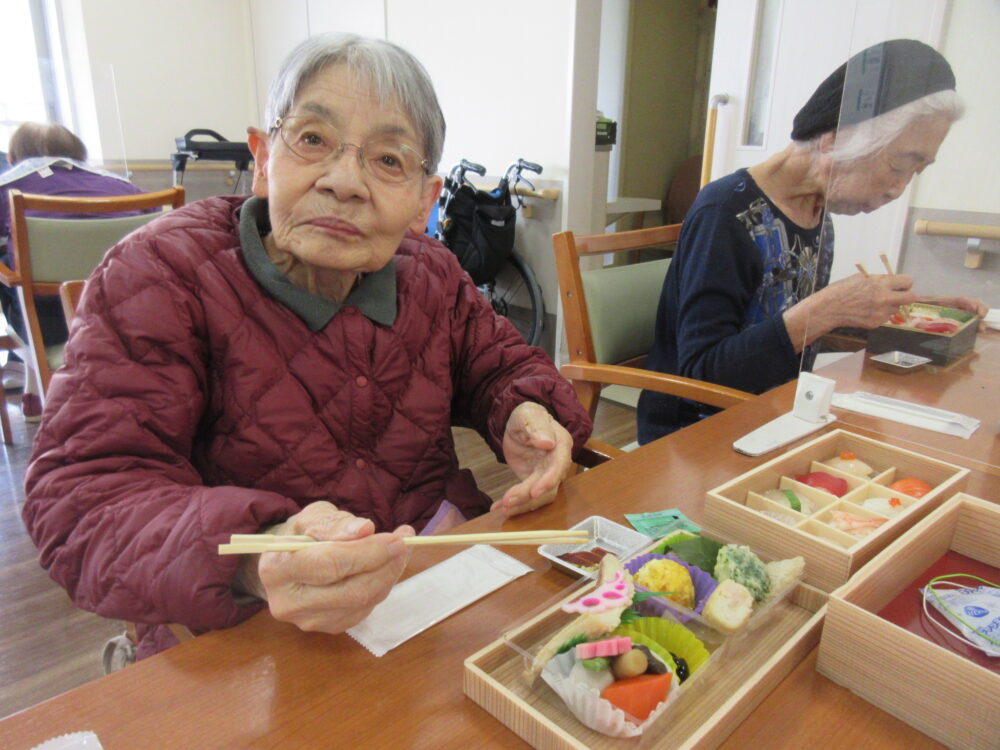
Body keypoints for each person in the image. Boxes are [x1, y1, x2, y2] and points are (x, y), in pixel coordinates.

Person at [22, 34, 593, 661]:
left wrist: (522, 409)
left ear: (423, 202)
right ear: (264, 158)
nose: (345, 183)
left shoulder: (432, 272)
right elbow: (82, 500)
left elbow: (499, 364)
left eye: (389, 159)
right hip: (245, 623)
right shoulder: (159, 274)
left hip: (431, 574)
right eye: (314, 139)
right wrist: (259, 554)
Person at [637, 39, 986, 444]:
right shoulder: (725, 213)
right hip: (695, 434)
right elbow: (701, 374)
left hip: (780, 412)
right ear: (834, 139)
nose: (898, 189)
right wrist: (825, 309)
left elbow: (791, 334)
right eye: (898, 164)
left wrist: (918, 318)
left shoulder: (817, 212)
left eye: (917, 171)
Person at [0, 122, 145, 413]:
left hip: (49, 329)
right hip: (126, 321)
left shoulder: (7, 188)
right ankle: (32, 393)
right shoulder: (128, 189)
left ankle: (31, 385)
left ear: (14, 158)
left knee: (11, 271)